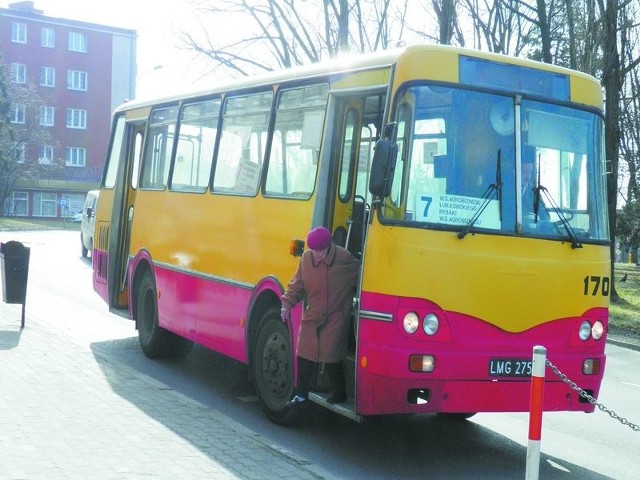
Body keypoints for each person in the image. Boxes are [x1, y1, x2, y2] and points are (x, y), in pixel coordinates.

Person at [280, 226, 360, 406]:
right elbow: (296, 285)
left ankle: (339, 392)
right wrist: (286, 305)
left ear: (329, 246)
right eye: (314, 251)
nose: (317, 255)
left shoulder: (344, 258)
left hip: (336, 316)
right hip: (313, 313)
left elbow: (362, 274)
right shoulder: (306, 258)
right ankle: (300, 394)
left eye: (321, 251)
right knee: (304, 352)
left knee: (331, 355)